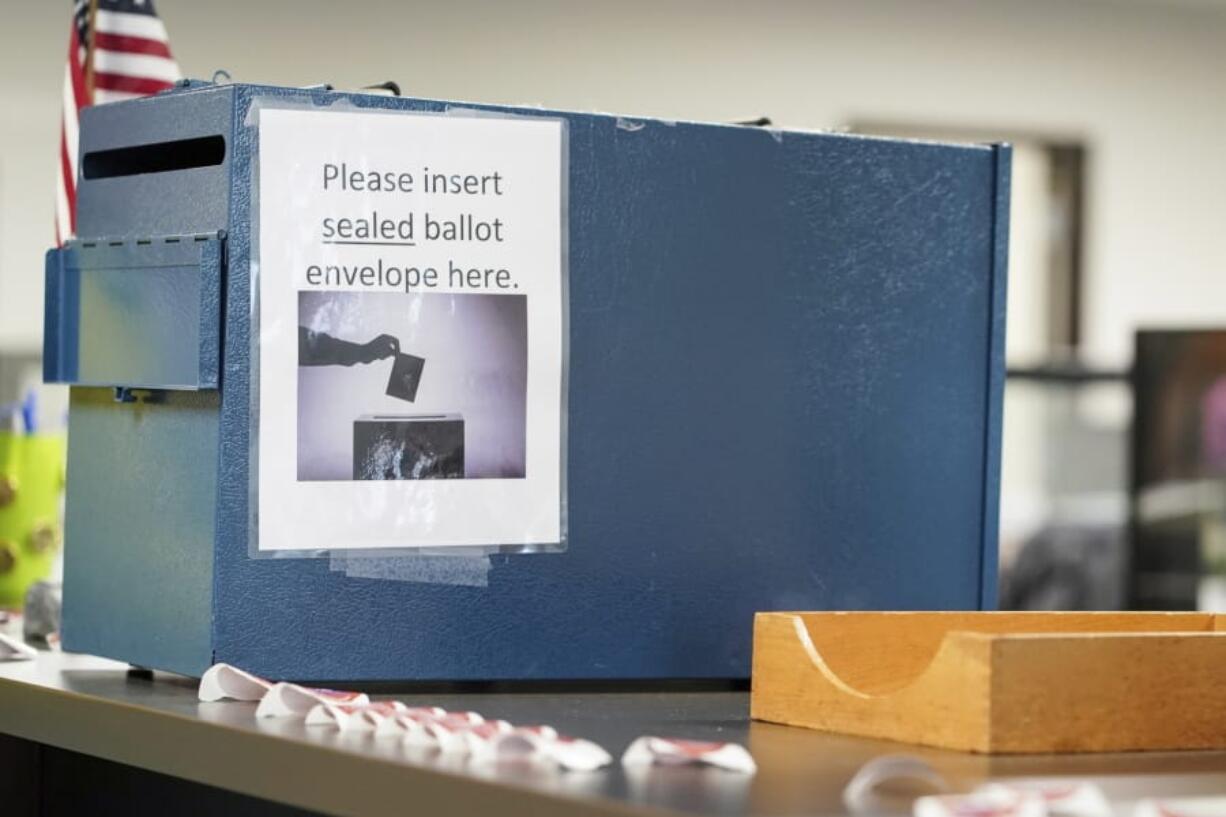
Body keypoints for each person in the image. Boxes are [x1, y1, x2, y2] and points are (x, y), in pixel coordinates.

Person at [298, 327, 399, 366]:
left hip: (337, 357)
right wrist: (397, 350)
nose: (382, 357)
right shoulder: (377, 344)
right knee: (310, 349)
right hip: (339, 351)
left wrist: (394, 353)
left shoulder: (374, 353)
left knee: (310, 357)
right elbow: (394, 339)